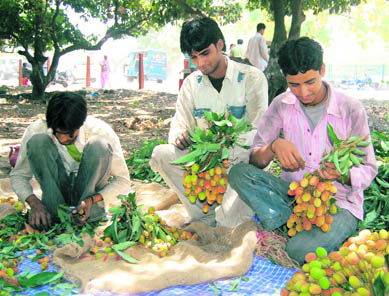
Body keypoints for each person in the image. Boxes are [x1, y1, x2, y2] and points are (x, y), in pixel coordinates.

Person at [229, 37, 378, 265]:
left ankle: (301, 233)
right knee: (238, 173)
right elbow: (256, 161)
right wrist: (274, 146)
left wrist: (341, 174)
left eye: (310, 82)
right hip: (293, 195)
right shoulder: (281, 104)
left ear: (322, 70)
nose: (304, 92)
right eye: (294, 85)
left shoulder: (351, 109)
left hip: (339, 203)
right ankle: (291, 224)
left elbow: (369, 169)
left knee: (299, 252)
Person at [150, 17, 268, 227]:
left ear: (220, 45)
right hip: (204, 169)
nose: (201, 63)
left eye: (205, 53)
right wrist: (181, 139)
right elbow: (177, 129)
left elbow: (258, 134)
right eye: (194, 57)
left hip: (238, 168)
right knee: (161, 154)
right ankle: (203, 214)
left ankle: (226, 213)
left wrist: (222, 146)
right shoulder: (191, 84)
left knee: (228, 222)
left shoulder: (252, 78)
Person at [10, 92, 131, 230]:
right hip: (53, 202)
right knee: (38, 142)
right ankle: (54, 214)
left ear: (80, 125)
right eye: (57, 133)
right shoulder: (37, 129)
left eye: (69, 135)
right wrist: (34, 203)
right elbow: (18, 175)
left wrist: (91, 200)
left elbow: (123, 180)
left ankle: (87, 213)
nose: (62, 140)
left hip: (89, 204)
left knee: (99, 145)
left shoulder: (101, 131)